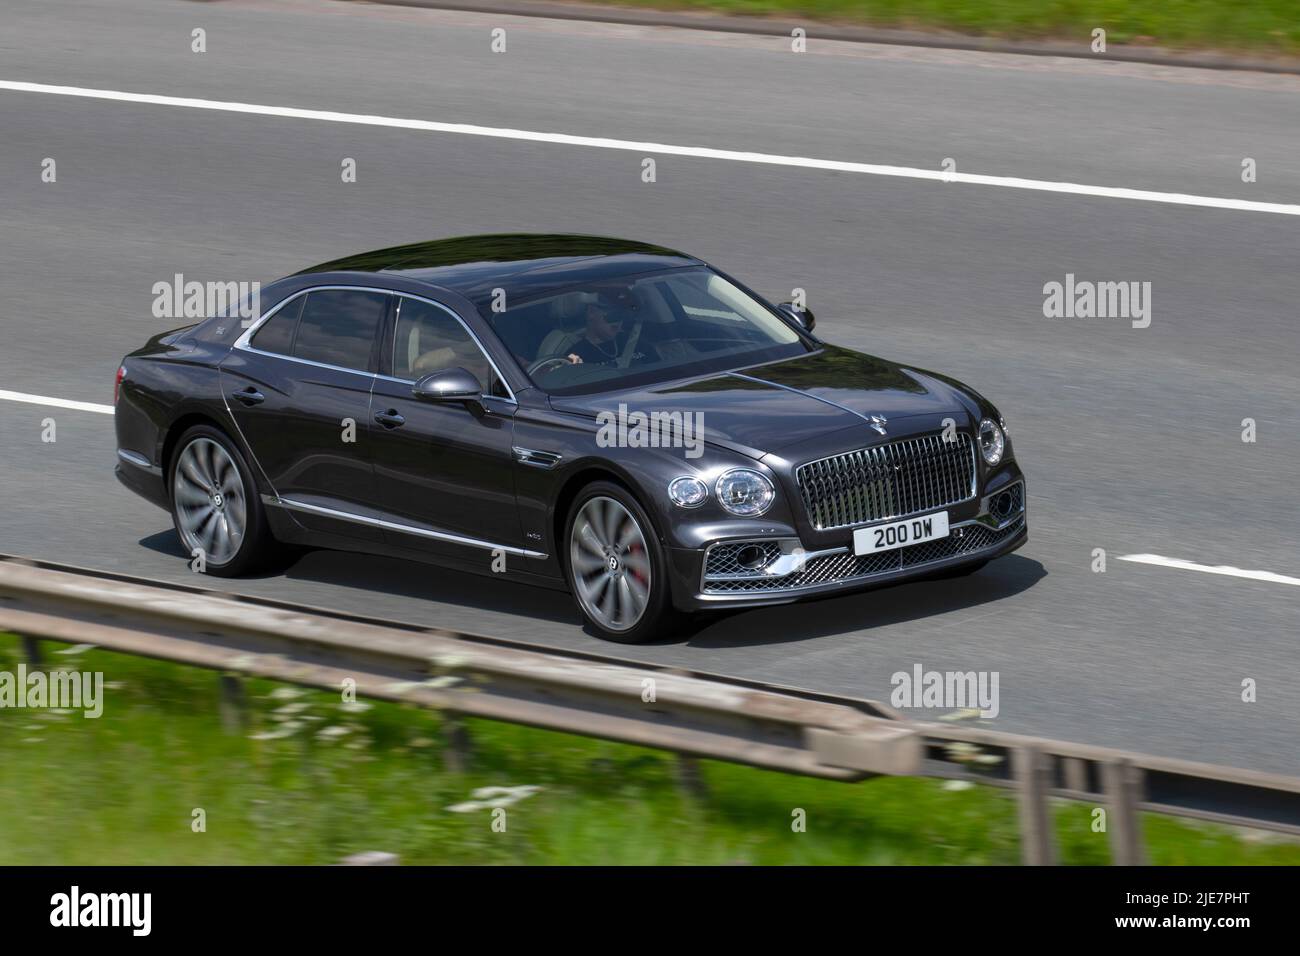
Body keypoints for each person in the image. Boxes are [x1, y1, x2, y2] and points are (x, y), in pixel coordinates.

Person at [566, 289, 632, 365]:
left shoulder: (632, 341)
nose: (617, 320)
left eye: (620, 313)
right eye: (612, 313)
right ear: (591, 312)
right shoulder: (576, 358)